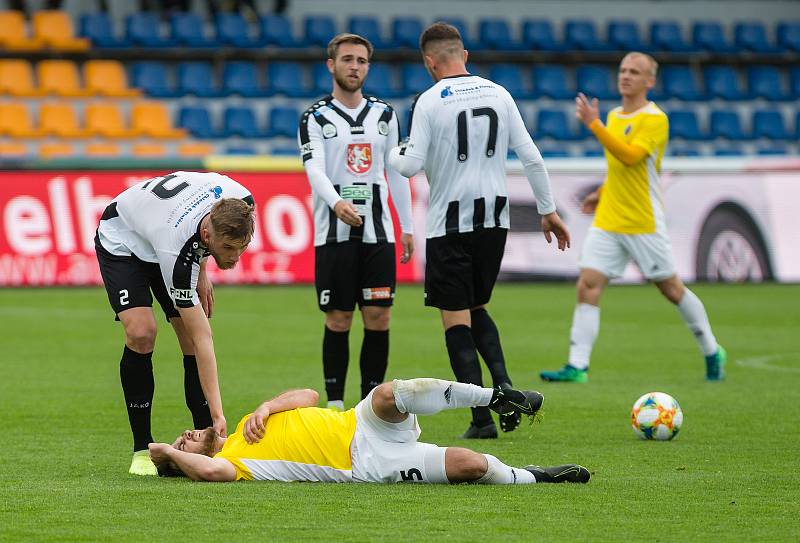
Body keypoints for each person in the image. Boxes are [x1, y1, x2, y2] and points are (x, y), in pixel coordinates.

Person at [387, 22, 570, 439]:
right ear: (464, 55)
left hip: (450, 223)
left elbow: (410, 165)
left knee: (455, 320)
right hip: (495, 220)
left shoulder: (430, 101)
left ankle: (483, 417)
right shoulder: (499, 92)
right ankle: (505, 386)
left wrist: (391, 151)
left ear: (429, 63)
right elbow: (531, 156)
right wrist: (548, 210)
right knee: (476, 306)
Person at [539, 52, 726, 384]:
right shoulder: (613, 115)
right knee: (588, 284)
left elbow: (630, 157)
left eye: (635, 72)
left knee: (671, 289)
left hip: (643, 220)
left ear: (649, 81)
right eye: (623, 70)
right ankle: (577, 366)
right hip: (610, 219)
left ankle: (712, 350)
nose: (625, 76)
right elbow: (619, 168)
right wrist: (602, 191)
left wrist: (593, 124)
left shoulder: (655, 119)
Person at [95, 171, 255, 475]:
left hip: (167, 228)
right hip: (125, 239)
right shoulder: (176, 250)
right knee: (143, 333)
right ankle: (142, 449)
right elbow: (203, 337)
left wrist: (203, 268)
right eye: (229, 250)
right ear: (208, 236)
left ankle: (205, 437)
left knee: (185, 333)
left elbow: (208, 234)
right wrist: (220, 412)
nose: (235, 259)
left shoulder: (243, 202)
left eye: (242, 248)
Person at [148, 378, 590, 485]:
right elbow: (211, 475)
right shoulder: (230, 462)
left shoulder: (249, 422)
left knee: (386, 393)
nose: (187, 433)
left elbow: (308, 393)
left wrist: (267, 404)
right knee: (470, 465)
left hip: (357, 422)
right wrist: (168, 452)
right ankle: (532, 476)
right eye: (184, 441)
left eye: (183, 434)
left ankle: (493, 397)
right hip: (367, 463)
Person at [298, 33, 414, 411]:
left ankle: (370, 404)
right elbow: (313, 169)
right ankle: (334, 403)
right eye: (347, 59)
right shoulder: (315, 117)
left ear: (368, 66)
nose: (354, 66)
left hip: (378, 233)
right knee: (339, 316)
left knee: (379, 316)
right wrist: (334, 203)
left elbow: (396, 173)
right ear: (331, 65)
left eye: (361, 60)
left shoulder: (385, 115)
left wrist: (407, 225)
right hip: (333, 233)